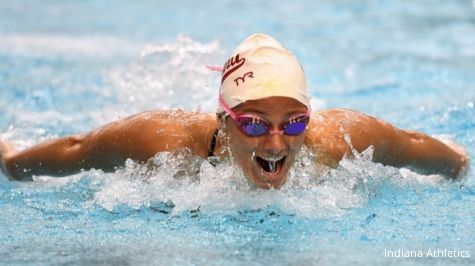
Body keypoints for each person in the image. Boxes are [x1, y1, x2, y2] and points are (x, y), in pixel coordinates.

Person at [0, 33, 470, 189]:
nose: (275, 142)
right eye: (252, 123)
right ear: (224, 121)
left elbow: (412, 147)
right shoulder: (163, 143)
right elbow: (79, 148)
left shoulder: (339, 140)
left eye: (294, 122)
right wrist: (12, 163)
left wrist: (459, 166)